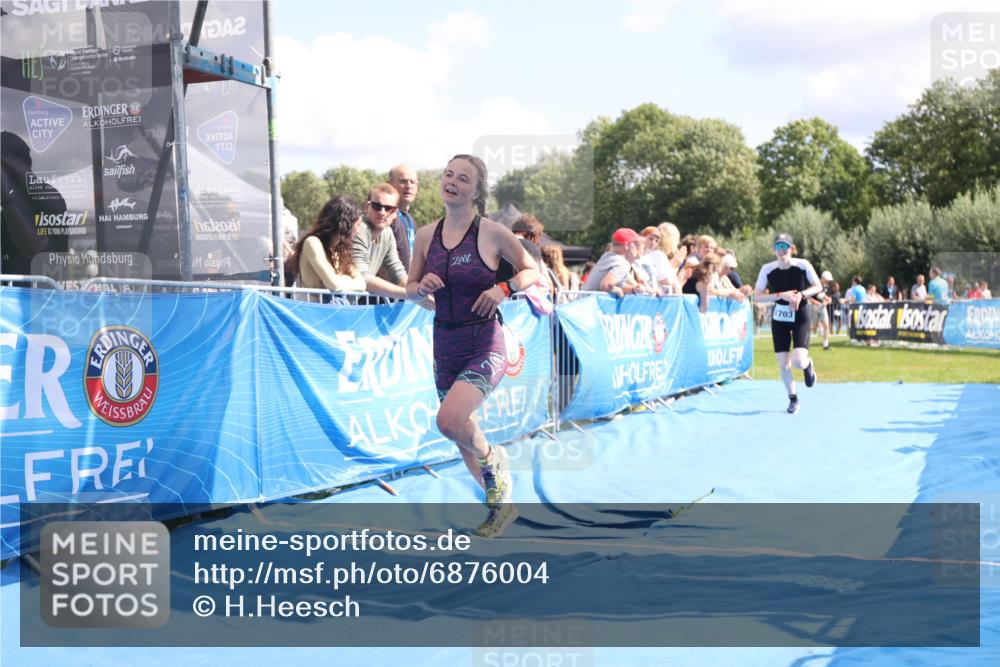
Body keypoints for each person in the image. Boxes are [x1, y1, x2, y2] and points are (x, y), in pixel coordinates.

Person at [406, 154, 538, 537]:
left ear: (477, 191)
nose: (452, 181)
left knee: (449, 420)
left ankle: (495, 462)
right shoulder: (427, 235)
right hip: (444, 341)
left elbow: (531, 270)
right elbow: (410, 288)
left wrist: (503, 287)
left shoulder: (494, 233)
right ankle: (499, 507)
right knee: (460, 432)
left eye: (463, 178)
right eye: (448, 174)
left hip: (485, 340)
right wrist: (421, 288)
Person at [754, 233, 823, 415]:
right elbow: (757, 296)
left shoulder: (803, 265)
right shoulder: (767, 269)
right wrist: (780, 295)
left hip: (800, 314)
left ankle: (808, 366)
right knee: (784, 365)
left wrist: (802, 295)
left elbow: (818, 287)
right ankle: (793, 399)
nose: (782, 250)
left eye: (785, 246)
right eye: (778, 246)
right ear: (774, 250)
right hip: (780, 318)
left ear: (792, 249)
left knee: (798, 361)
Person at [286, 195, 366, 293]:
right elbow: (334, 285)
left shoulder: (339, 250)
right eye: (357, 225)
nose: (358, 231)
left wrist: (340, 280)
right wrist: (346, 279)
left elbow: (362, 284)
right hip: (312, 306)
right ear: (345, 224)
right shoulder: (312, 242)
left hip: (330, 307)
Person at [352, 183, 414, 301]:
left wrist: (418, 292)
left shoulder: (387, 233)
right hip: (327, 305)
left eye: (388, 208)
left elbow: (396, 271)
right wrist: (408, 294)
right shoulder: (358, 229)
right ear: (366, 207)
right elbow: (361, 277)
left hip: (349, 305)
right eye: (376, 206)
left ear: (395, 213)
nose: (382, 212)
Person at [582, 227, 649, 296]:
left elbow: (616, 285)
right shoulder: (622, 263)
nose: (637, 247)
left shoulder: (608, 256)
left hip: (583, 301)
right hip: (590, 304)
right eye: (635, 243)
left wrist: (633, 289)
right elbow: (606, 285)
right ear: (626, 245)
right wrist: (619, 291)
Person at [387, 164, 419, 271]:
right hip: (390, 286)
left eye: (412, 182)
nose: (408, 186)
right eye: (403, 181)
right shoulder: (384, 217)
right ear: (389, 185)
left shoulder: (411, 221)